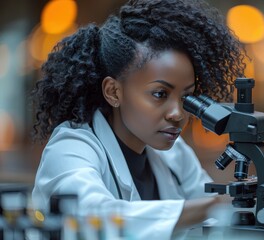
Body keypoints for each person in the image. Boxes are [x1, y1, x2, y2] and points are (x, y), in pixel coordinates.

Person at [31, 0, 246, 239]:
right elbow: (92, 216)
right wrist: (215, 205)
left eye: (186, 96)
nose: (177, 113)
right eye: (159, 94)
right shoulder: (70, 148)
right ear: (114, 92)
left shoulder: (175, 154)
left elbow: (219, 222)